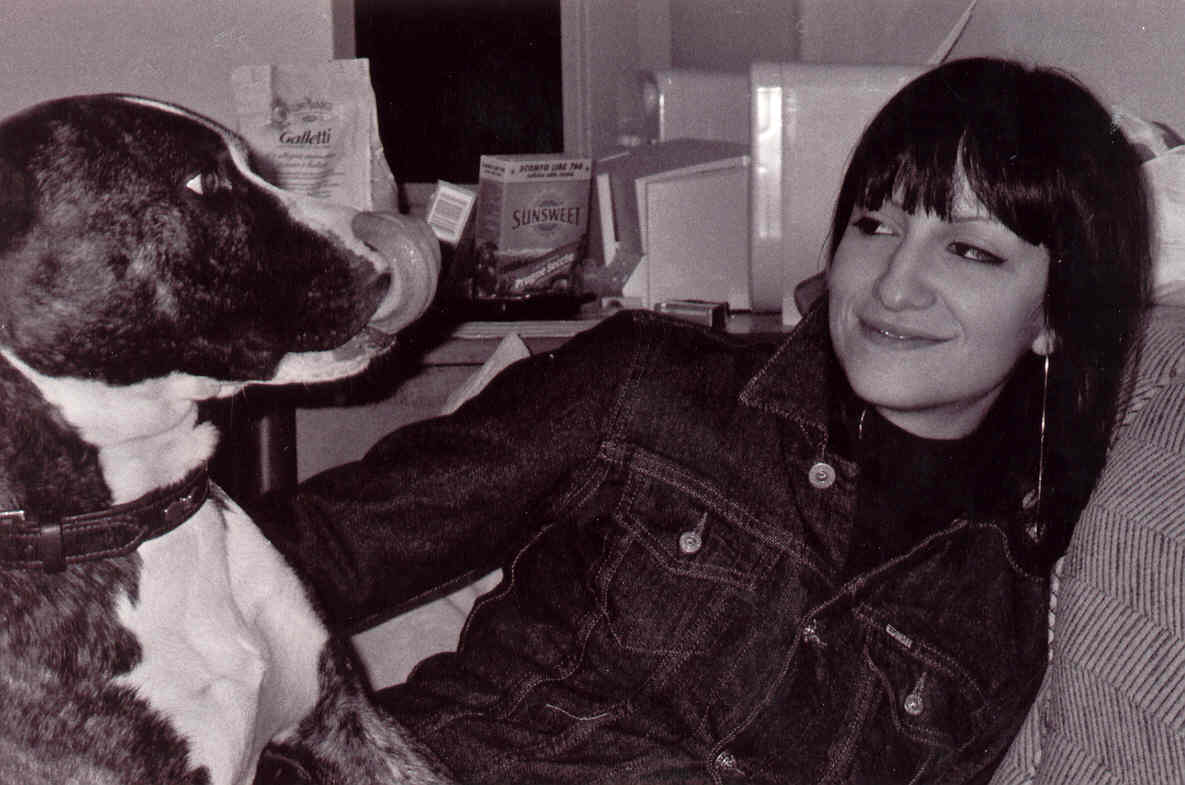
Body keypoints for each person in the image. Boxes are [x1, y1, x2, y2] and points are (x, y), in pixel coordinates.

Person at [253, 58, 1150, 784]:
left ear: (1054, 317)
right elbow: (294, 558)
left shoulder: (1006, 618)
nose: (892, 284)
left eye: (967, 250)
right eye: (875, 225)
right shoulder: (647, 385)